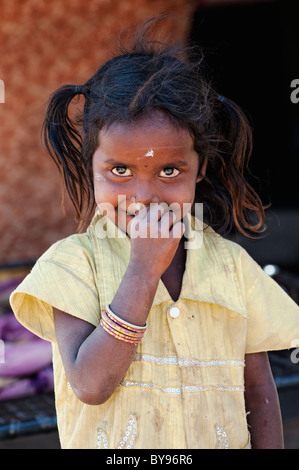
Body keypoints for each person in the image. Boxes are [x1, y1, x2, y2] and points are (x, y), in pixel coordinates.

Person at [9, 19, 299, 449]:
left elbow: (257, 388)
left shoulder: (230, 265)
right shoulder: (72, 265)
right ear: (92, 168)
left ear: (199, 169)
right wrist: (143, 273)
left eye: (169, 170)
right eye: (120, 170)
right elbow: (89, 384)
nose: (144, 195)